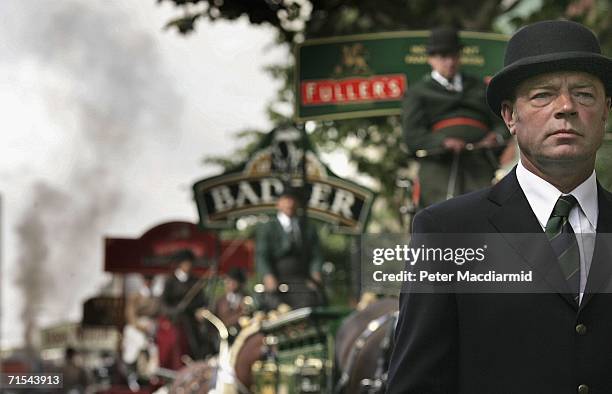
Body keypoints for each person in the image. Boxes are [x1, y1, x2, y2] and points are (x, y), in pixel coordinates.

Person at [387, 20, 612, 393]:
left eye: (584, 94)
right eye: (542, 95)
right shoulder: (446, 233)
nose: (566, 107)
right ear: (510, 116)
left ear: (606, 110)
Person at [402, 26, 509, 208]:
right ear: (430, 59)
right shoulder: (418, 92)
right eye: (443, 57)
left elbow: (503, 123)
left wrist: (496, 137)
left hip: (480, 161)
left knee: (487, 211)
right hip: (439, 164)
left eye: (454, 56)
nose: (450, 62)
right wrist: (443, 142)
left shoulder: (480, 87)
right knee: (442, 214)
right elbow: (412, 135)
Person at [256, 188, 324, 310]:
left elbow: (316, 255)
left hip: (301, 281)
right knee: (272, 305)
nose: (290, 204)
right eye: (286, 200)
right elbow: (262, 255)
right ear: (278, 204)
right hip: (277, 280)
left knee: (314, 301)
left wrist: (315, 272)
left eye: (293, 200)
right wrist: (268, 275)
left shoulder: (307, 227)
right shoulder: (268, 227)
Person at [160, 250, 208, 362]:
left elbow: (203, 301)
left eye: (190, 263)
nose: (189, 266)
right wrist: (173, 312)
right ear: (180, 264)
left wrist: (201, 311)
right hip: (174, 321)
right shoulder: (170, 281)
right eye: (186, 263)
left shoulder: (196, 281)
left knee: (196, 344)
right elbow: (163, 303)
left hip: (190, 322)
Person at [213, 267, 249, 341]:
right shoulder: (220, 301)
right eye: (228, 281)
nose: (231, 284)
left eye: (234, 281)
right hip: (223, 337)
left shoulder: (246, 299)